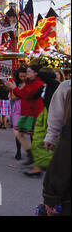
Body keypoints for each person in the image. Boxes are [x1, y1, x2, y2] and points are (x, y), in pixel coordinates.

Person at [4, 65, 44, 166]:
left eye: (29, 71)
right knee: (19, 133)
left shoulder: (37, 84)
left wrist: (14, 88)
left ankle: (34, 156)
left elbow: (25, 95)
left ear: (35, 73)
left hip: (33, 113)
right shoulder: (29, 83)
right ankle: (31, 154)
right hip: (26, 113)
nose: (27, 74)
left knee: (31, 135)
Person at [23, 68, 60, 177]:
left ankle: (43, 165)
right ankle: (41, 166)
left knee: (44, 141)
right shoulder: (46, 86)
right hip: (45, 115)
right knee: (40, 141)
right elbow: (33, 96)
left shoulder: (55, 86)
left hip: (51, 116)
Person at [42, 80, 70, 215]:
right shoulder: (67, 87)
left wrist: (51, 195)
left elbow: (65, 156)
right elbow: (56, 114)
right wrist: (51, 135)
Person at [11, 67, 27, 160]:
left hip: (28, 108)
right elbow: (13, 97)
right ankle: (18, 151)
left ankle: (31, 152)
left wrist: (19, 93)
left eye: (24, 76)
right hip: (18, 108)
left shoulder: (31, 84)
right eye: (20, 76)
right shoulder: (16, 84)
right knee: (18, 131)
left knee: (31, 131)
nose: (22, 78)